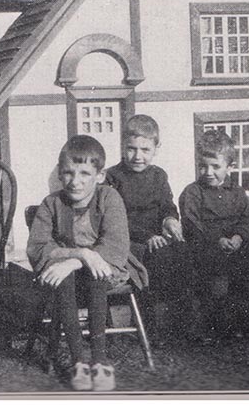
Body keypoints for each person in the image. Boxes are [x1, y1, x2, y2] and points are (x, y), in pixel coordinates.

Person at [27, 135, 144, 392]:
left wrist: (80, 260)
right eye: (68, 173)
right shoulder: (52, 204)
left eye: (84, 173)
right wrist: (80, 255)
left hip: (106, 268)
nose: (75, 181)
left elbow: (115, 244)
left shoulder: (109, 198)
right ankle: (79, 360)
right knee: (65, 276)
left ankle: (100, 360)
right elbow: (38, 247)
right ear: (60, 173)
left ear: (99, 176)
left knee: (96, 273)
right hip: (65, 274)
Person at [104, 115, 194, 338]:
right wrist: (147, 236)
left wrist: (170, 220)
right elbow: (115, 218)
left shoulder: (158, 175)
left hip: (157, 237)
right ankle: (148, 325)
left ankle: (182, 323)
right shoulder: (113, 177)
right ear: (123, 147)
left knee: (184, 253)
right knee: (155, 258)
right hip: (128, 241)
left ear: (156, 148)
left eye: (145, 150)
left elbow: (167, 205)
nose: (137, 156)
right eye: (131, 149)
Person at [178, 129, 249, 341]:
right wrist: (217, 239)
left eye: (215, 166)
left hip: (236, 245)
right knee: (216, 281)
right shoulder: (192, 192)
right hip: (206, 245)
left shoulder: (237, 192)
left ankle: (246, 321)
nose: (208, 171)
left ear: (230, 167)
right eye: (203, 165)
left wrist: (238, 237)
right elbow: (191, 223)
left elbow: (246, 218)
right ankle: (215, 325)